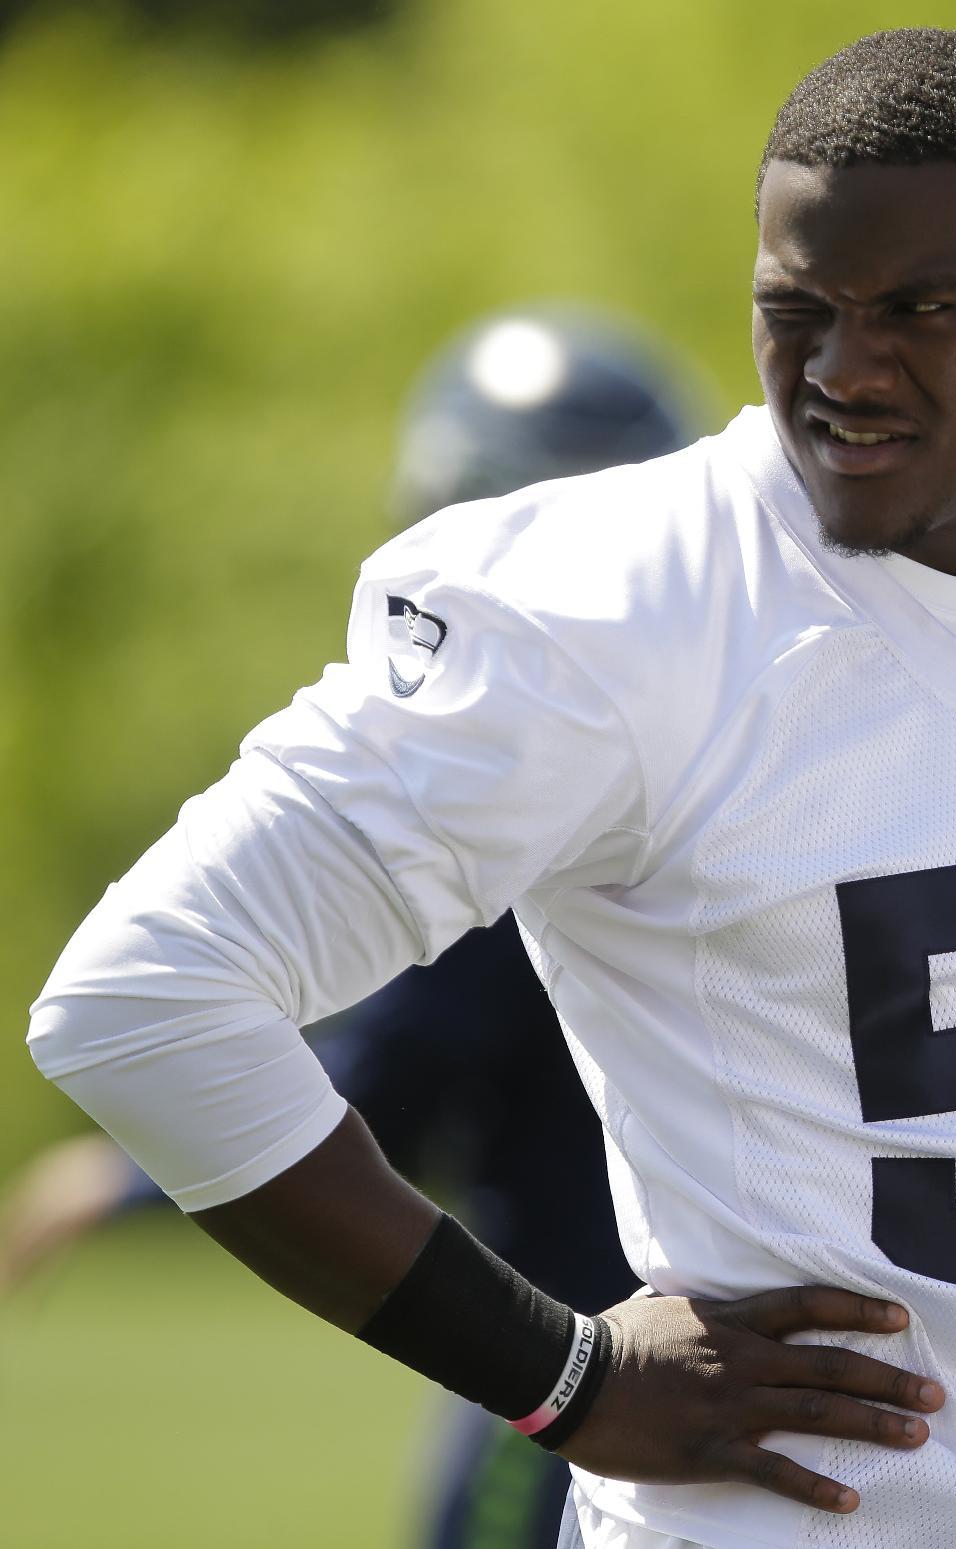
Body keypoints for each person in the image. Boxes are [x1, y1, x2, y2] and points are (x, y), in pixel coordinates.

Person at [28, 28, 956, 1549]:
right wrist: (559, 1374)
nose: (843, 370)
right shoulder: (617, 605)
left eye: (918, 309)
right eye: (797, 310)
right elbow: (144, 999)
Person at [1, 305, 704, 1548]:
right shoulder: (756, 762)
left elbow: (382, 1079)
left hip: (603, 1362)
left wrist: (117, 1178)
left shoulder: (532, 803)